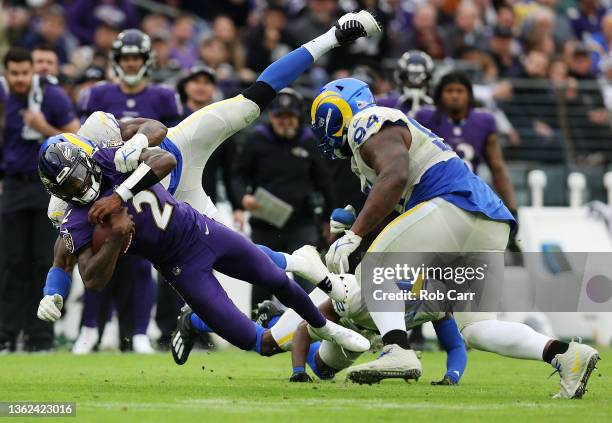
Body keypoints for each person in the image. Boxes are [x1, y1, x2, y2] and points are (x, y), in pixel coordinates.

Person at [37, 9, 382, 353]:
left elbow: (156, 132)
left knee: (251, 102)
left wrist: (136, 145)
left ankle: (333, 34)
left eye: (80, 179)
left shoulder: (98, 133)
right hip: (176, 202)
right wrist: (53, 290)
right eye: (70, 189)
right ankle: (294, 270)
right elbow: (65, 248)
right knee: (229, 258)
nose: (81, 187)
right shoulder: (65, 204)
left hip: (178, 150)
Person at [309, 77, 600, 398]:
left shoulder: (368, 120)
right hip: (488, 221)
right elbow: (395, 209)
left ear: (349, 106)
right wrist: (357, 223)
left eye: (328, 114)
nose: (324, 125)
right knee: (477, 329)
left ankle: (397, 349)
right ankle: (566, 355)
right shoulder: (368, 149)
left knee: (376, 268)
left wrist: (355, 233)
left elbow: (396, 175)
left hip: (452, 203)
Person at [75, 29, 183, 354]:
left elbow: (174, 143)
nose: (132, 63)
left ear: (146, 60)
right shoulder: (99, 94)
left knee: (139, 262)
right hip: (103, 186)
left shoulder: (163, 97)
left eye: (136, 57)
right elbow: (82, 143)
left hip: (145, 187)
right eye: (126, 57)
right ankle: (89, 329)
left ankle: (138, 332)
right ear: (117, 60)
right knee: (97, 254)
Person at [0, 48, 79, 353]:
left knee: (45, 262)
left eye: (24, 72)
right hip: (12, 188)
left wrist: (42, 126)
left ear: (33, 70)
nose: (20, 79)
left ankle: (41, 337)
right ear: (7, 72)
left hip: (49, 188)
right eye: (14, 73)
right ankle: (6, 336)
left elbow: (75, 137)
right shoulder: (3, 97)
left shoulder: (53, 96)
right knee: (10, 265)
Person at [232, 88, 334, 310]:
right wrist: (243, 199)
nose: (285, 122)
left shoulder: (310, 141)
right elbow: (238, 175)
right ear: (271, 116)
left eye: (290, 117)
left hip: (302, 223)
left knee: (307, 277)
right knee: (261, 277)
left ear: (298, 117)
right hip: (264, 224)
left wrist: (328, 219)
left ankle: (311, 327)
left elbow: (325, 182)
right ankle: (256, 331)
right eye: (280, 116)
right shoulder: (257, 140)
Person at [414, 72, 517, 211]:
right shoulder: (425, 117)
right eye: (449, 91)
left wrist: (512, 208)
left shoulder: (483, 121)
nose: (455, 96)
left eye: (460, 91)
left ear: (469, 95)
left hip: (470, 197)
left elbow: (497, 167)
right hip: (432, 196)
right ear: (440, 95)